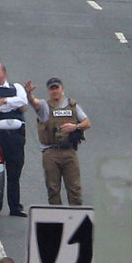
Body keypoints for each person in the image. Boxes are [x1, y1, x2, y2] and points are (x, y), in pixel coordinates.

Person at [0, 63, 30, 216]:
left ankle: (15, 206)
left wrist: (3, 101)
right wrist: (11, 102)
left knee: (15, 172)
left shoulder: (17, 87)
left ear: (5, 73)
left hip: (16, 136)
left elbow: (23, 103)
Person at [34, 78, 90, 206]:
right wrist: (29, 94)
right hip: (50, 152)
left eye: (56, 88)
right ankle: (56, 219)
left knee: (74, 189)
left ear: (62, 88)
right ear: (48, 91)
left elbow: (87, 123)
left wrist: (75, 127)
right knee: (53, 189)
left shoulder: (73, 106)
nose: (54, 91)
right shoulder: (45, 107)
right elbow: (34, 103)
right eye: (51, 89)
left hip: (69, 151)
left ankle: (76, 220)